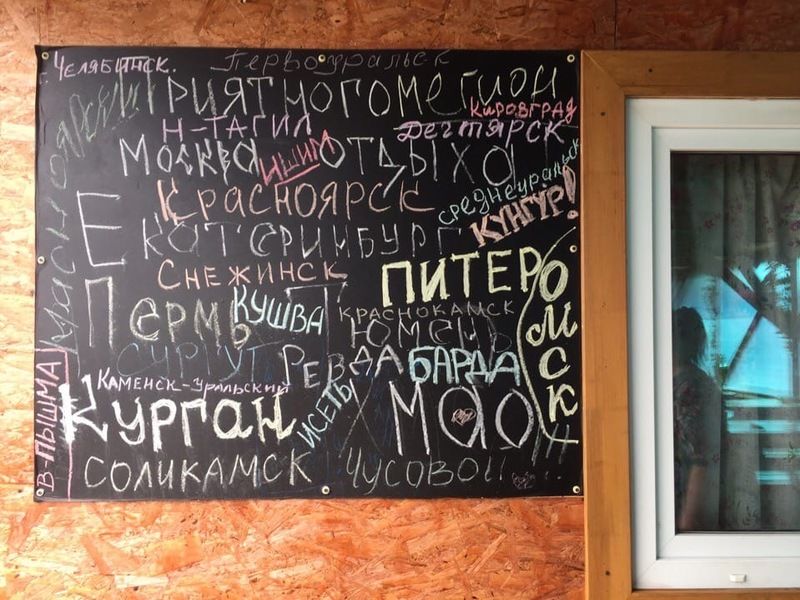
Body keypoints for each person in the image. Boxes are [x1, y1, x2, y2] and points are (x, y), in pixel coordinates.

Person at [672, 307, 722, 531]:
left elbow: (701, 458)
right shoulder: (686, 383)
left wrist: (687, 521)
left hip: (683, 511)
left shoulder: (691, 389)